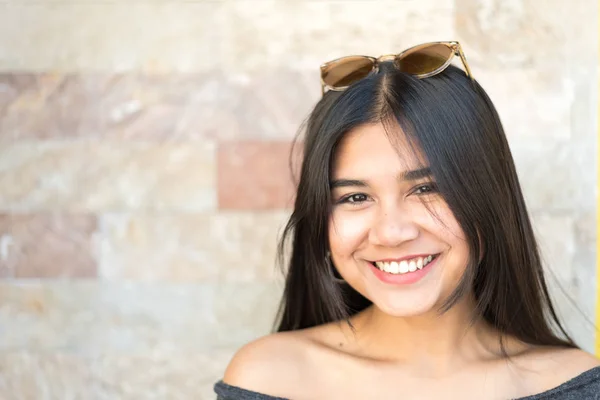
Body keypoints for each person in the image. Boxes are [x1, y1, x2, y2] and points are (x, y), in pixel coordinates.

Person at [214, 41, 600, 399]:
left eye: (426, 189)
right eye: (355, 197)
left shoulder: (576, 385)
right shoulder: (271, 377)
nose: (391, 232)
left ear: (487, 197)